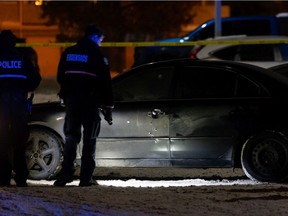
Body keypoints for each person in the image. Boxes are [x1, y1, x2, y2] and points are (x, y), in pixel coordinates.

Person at [54, 25, 114, 187]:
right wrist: (108, 106)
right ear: (95, 37)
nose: (101, 43)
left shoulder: (69, 52)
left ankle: (65, 175)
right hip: (90, 102)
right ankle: (86, 178)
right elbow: (105, 83)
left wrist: (68, 93)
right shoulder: (97, 54)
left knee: (71, 138)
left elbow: (60, 76)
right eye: (101, 39)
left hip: (72, 102)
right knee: (90, 139)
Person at [0, 30, 41, 187]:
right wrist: (24, 88)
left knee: (2, 141)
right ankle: (21, 177)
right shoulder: (22, 57)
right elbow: (36, 78)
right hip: (19, 104)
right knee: (19, 141)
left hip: (1, 105)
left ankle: (3, 178)